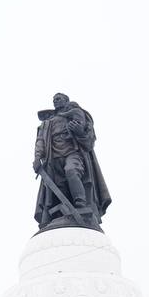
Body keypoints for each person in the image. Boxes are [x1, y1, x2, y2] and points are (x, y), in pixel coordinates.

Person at [32, 93, 111, 232]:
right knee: (59, 186)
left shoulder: (77, 113)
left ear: (66, 101)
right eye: (54, 99)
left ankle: (80, 205)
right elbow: (41, 141)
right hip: (53, 157)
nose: (56, 101)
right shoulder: (48, 123)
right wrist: (37, 157)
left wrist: (80, 132)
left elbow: (89, 140)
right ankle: (61, 214)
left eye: (59, 99)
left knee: (72, 170)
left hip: (73, 153)